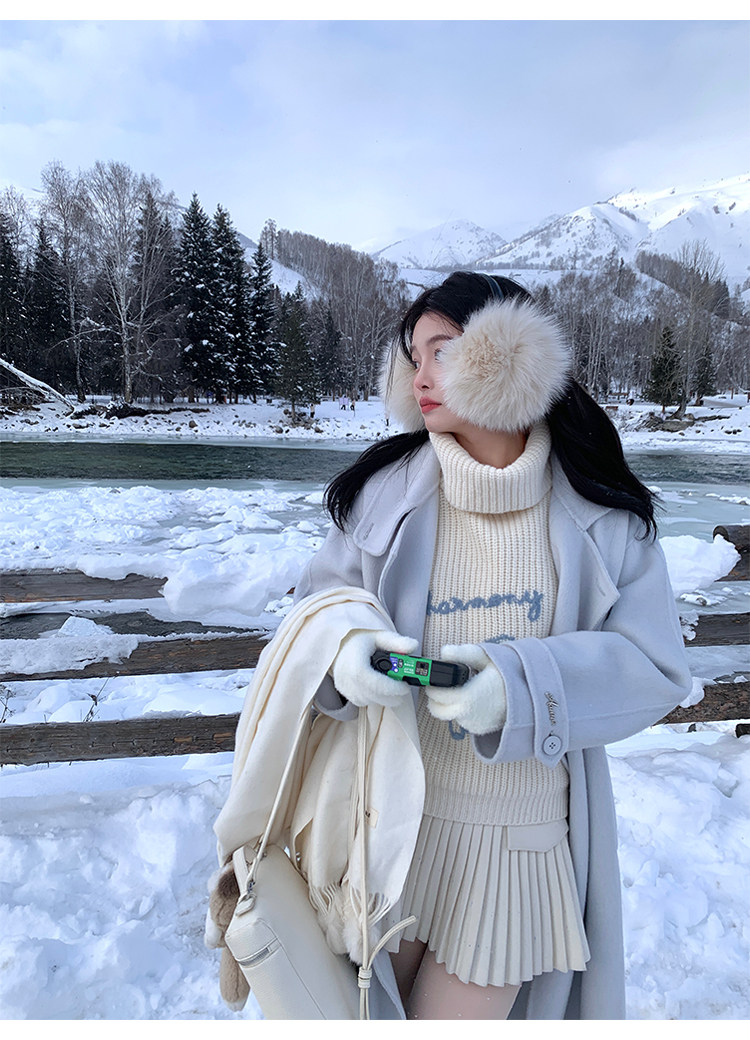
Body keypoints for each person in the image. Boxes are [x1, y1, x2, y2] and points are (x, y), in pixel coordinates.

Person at [286, 272, 692, 1020]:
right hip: (389, 833)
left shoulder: (605, 516)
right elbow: (316, 612)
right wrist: (343, 653)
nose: (420, 375)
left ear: (511, 353)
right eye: (414, 356)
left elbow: (655, 667)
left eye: (442, 350)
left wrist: (518, 688)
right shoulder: (384, 495)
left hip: (519, 849)